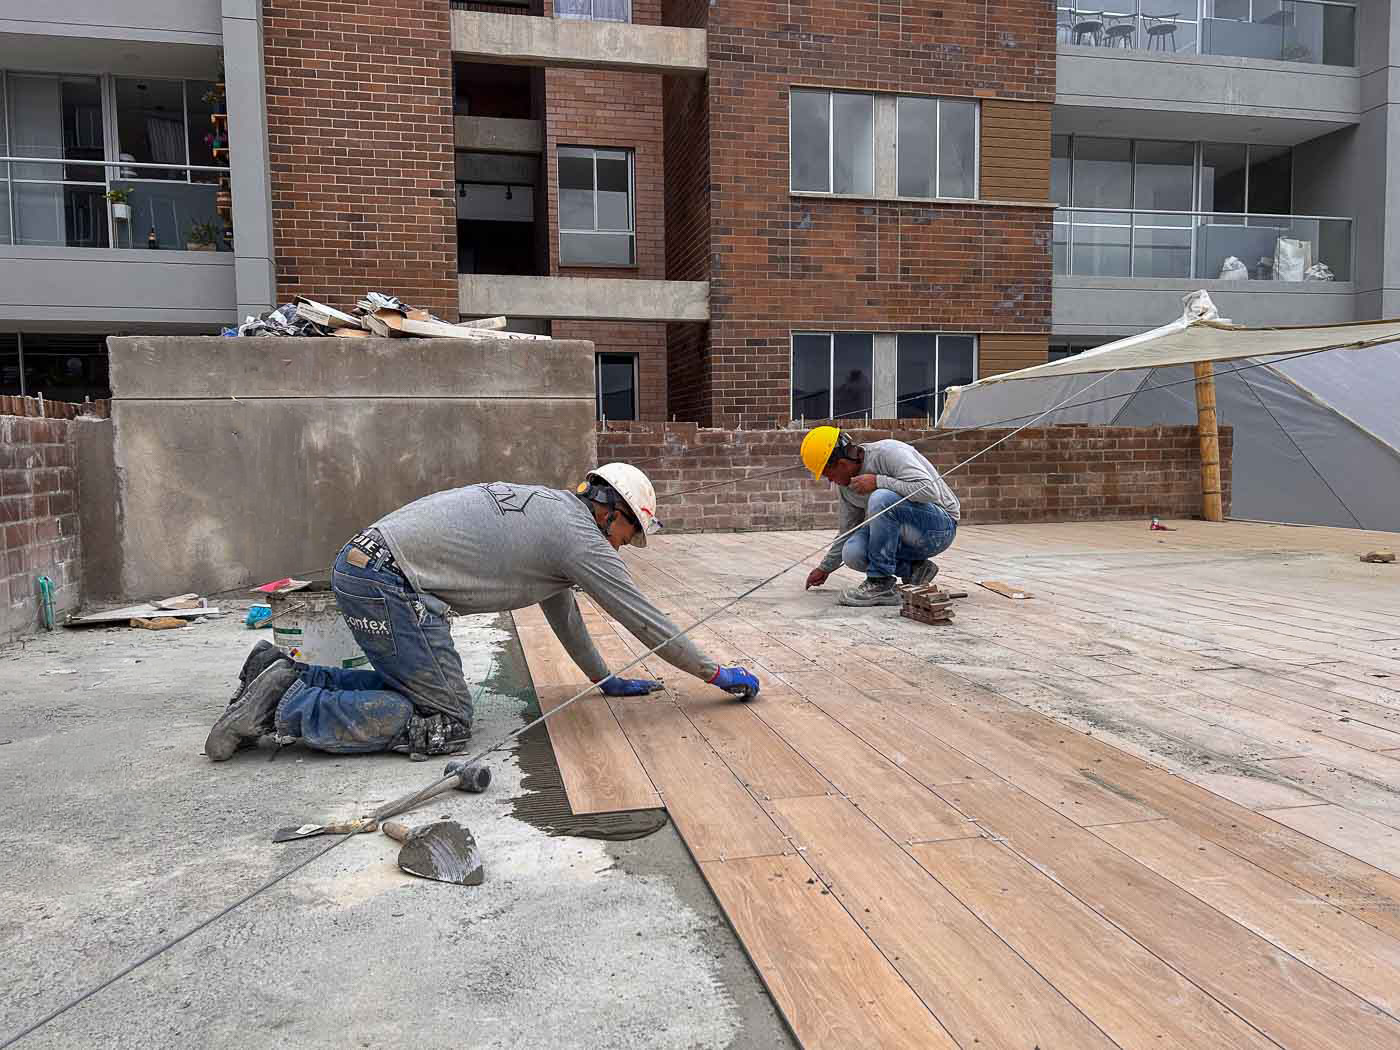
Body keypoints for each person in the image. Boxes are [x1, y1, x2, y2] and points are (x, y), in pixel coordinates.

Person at [205, 464, 760, 761]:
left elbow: (561, 609)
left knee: (419, 692)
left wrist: (603, 678)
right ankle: (286, 707)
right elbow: (644, 618)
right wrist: (712, 672)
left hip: (369, 567)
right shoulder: (579, 538)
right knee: (444, 723)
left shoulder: (553, 516)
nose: (620, 547)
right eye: (627, 533)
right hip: (389, 584)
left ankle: (283, 675)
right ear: (609, 510)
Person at [799, 426, 960, 607]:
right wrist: (825, 568)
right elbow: (847, 531)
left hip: (939, 528)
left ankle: (879, 582)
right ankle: (915, 569)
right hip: (904, 539)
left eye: (829, 475)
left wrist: (878, 481)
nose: (830, 481)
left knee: (881, 497)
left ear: (841, 464)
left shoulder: (889, 452)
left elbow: (930, 492)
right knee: (852, 553)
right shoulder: (846, 487)